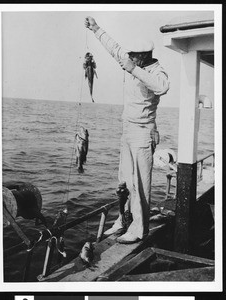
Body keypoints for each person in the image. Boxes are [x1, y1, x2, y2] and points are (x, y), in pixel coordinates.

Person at [85, 16, 170, 244]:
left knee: (140, 185)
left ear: (142, 56)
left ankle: (139, 229)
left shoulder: (156, 71)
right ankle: (123, 219)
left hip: (143, 132)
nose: (128, 58)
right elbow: (114, 48)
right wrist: (96, 29)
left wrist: (134, 70)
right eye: (130, 55)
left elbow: (162, 87)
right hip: (127, 130)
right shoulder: (132, 60)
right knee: (123, 182)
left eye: (133, 55)